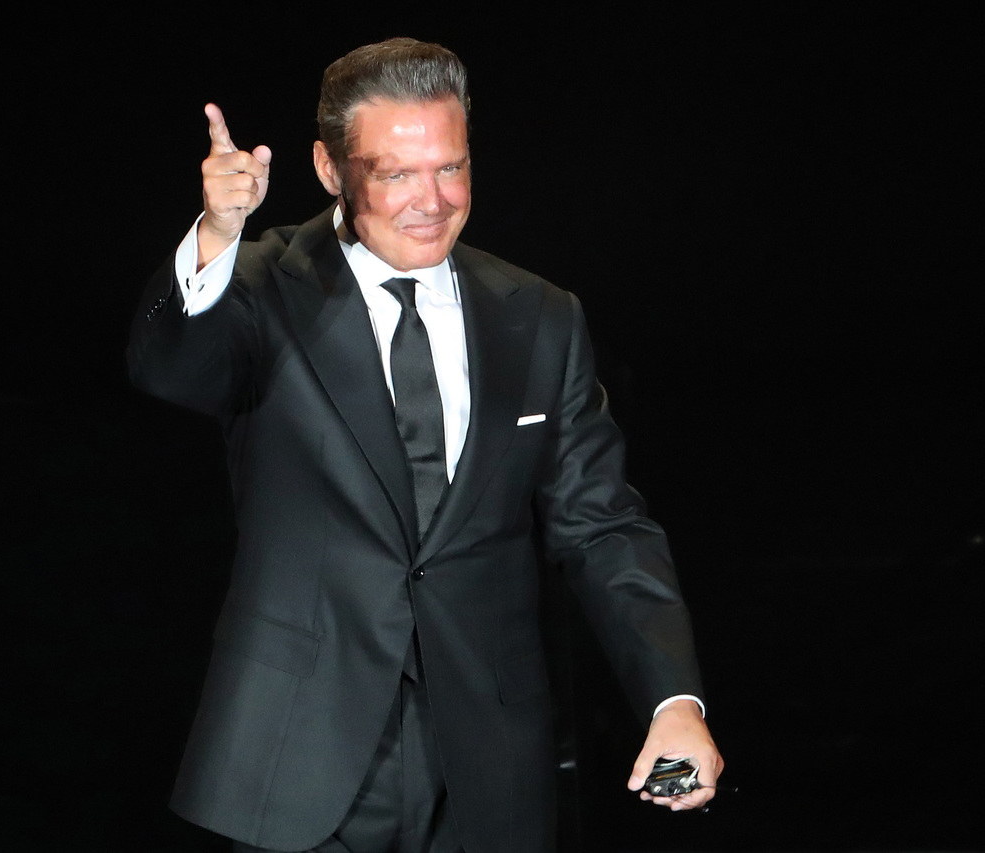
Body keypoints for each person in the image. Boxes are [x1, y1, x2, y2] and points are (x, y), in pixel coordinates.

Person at [128, 37, 723, 853]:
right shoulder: (262, 288)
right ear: (330, 169)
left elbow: (603, 524)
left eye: (451, 167)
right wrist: (217, 235)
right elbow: (170, 369)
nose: (432, 201)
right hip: (300, 756)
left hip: (486, 764)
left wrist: (674, 701)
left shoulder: (539, 316)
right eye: (396, 173)